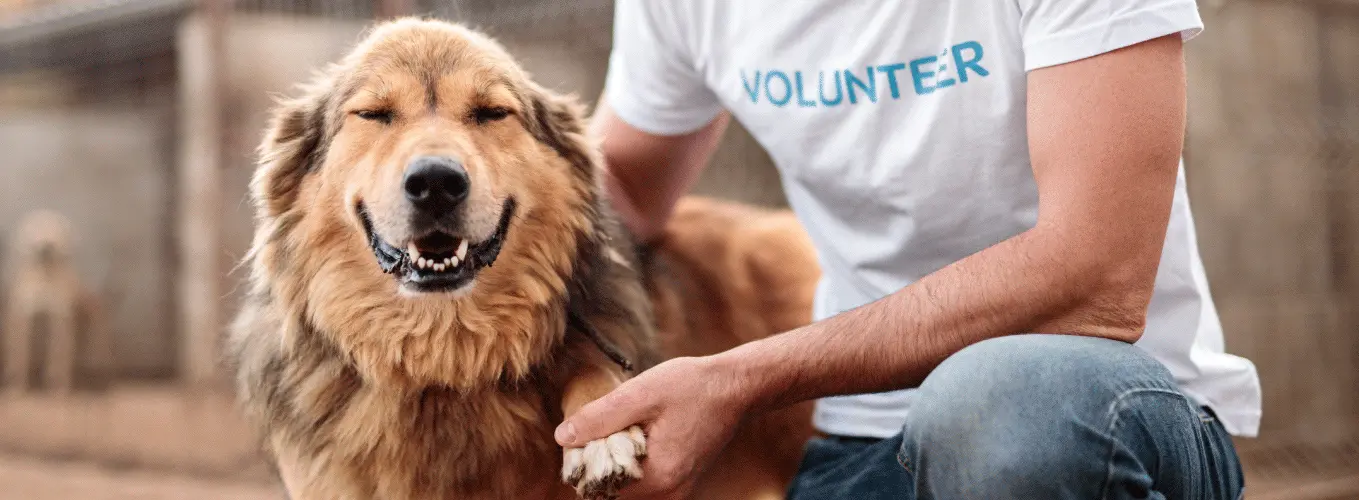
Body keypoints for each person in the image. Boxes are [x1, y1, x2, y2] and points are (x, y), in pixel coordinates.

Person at [554, 1, 1261, 498]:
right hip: (861, 439)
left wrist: (737, 379)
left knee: (995, 402)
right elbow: (625, 199)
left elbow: (1095, 277)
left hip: (1100, 414)